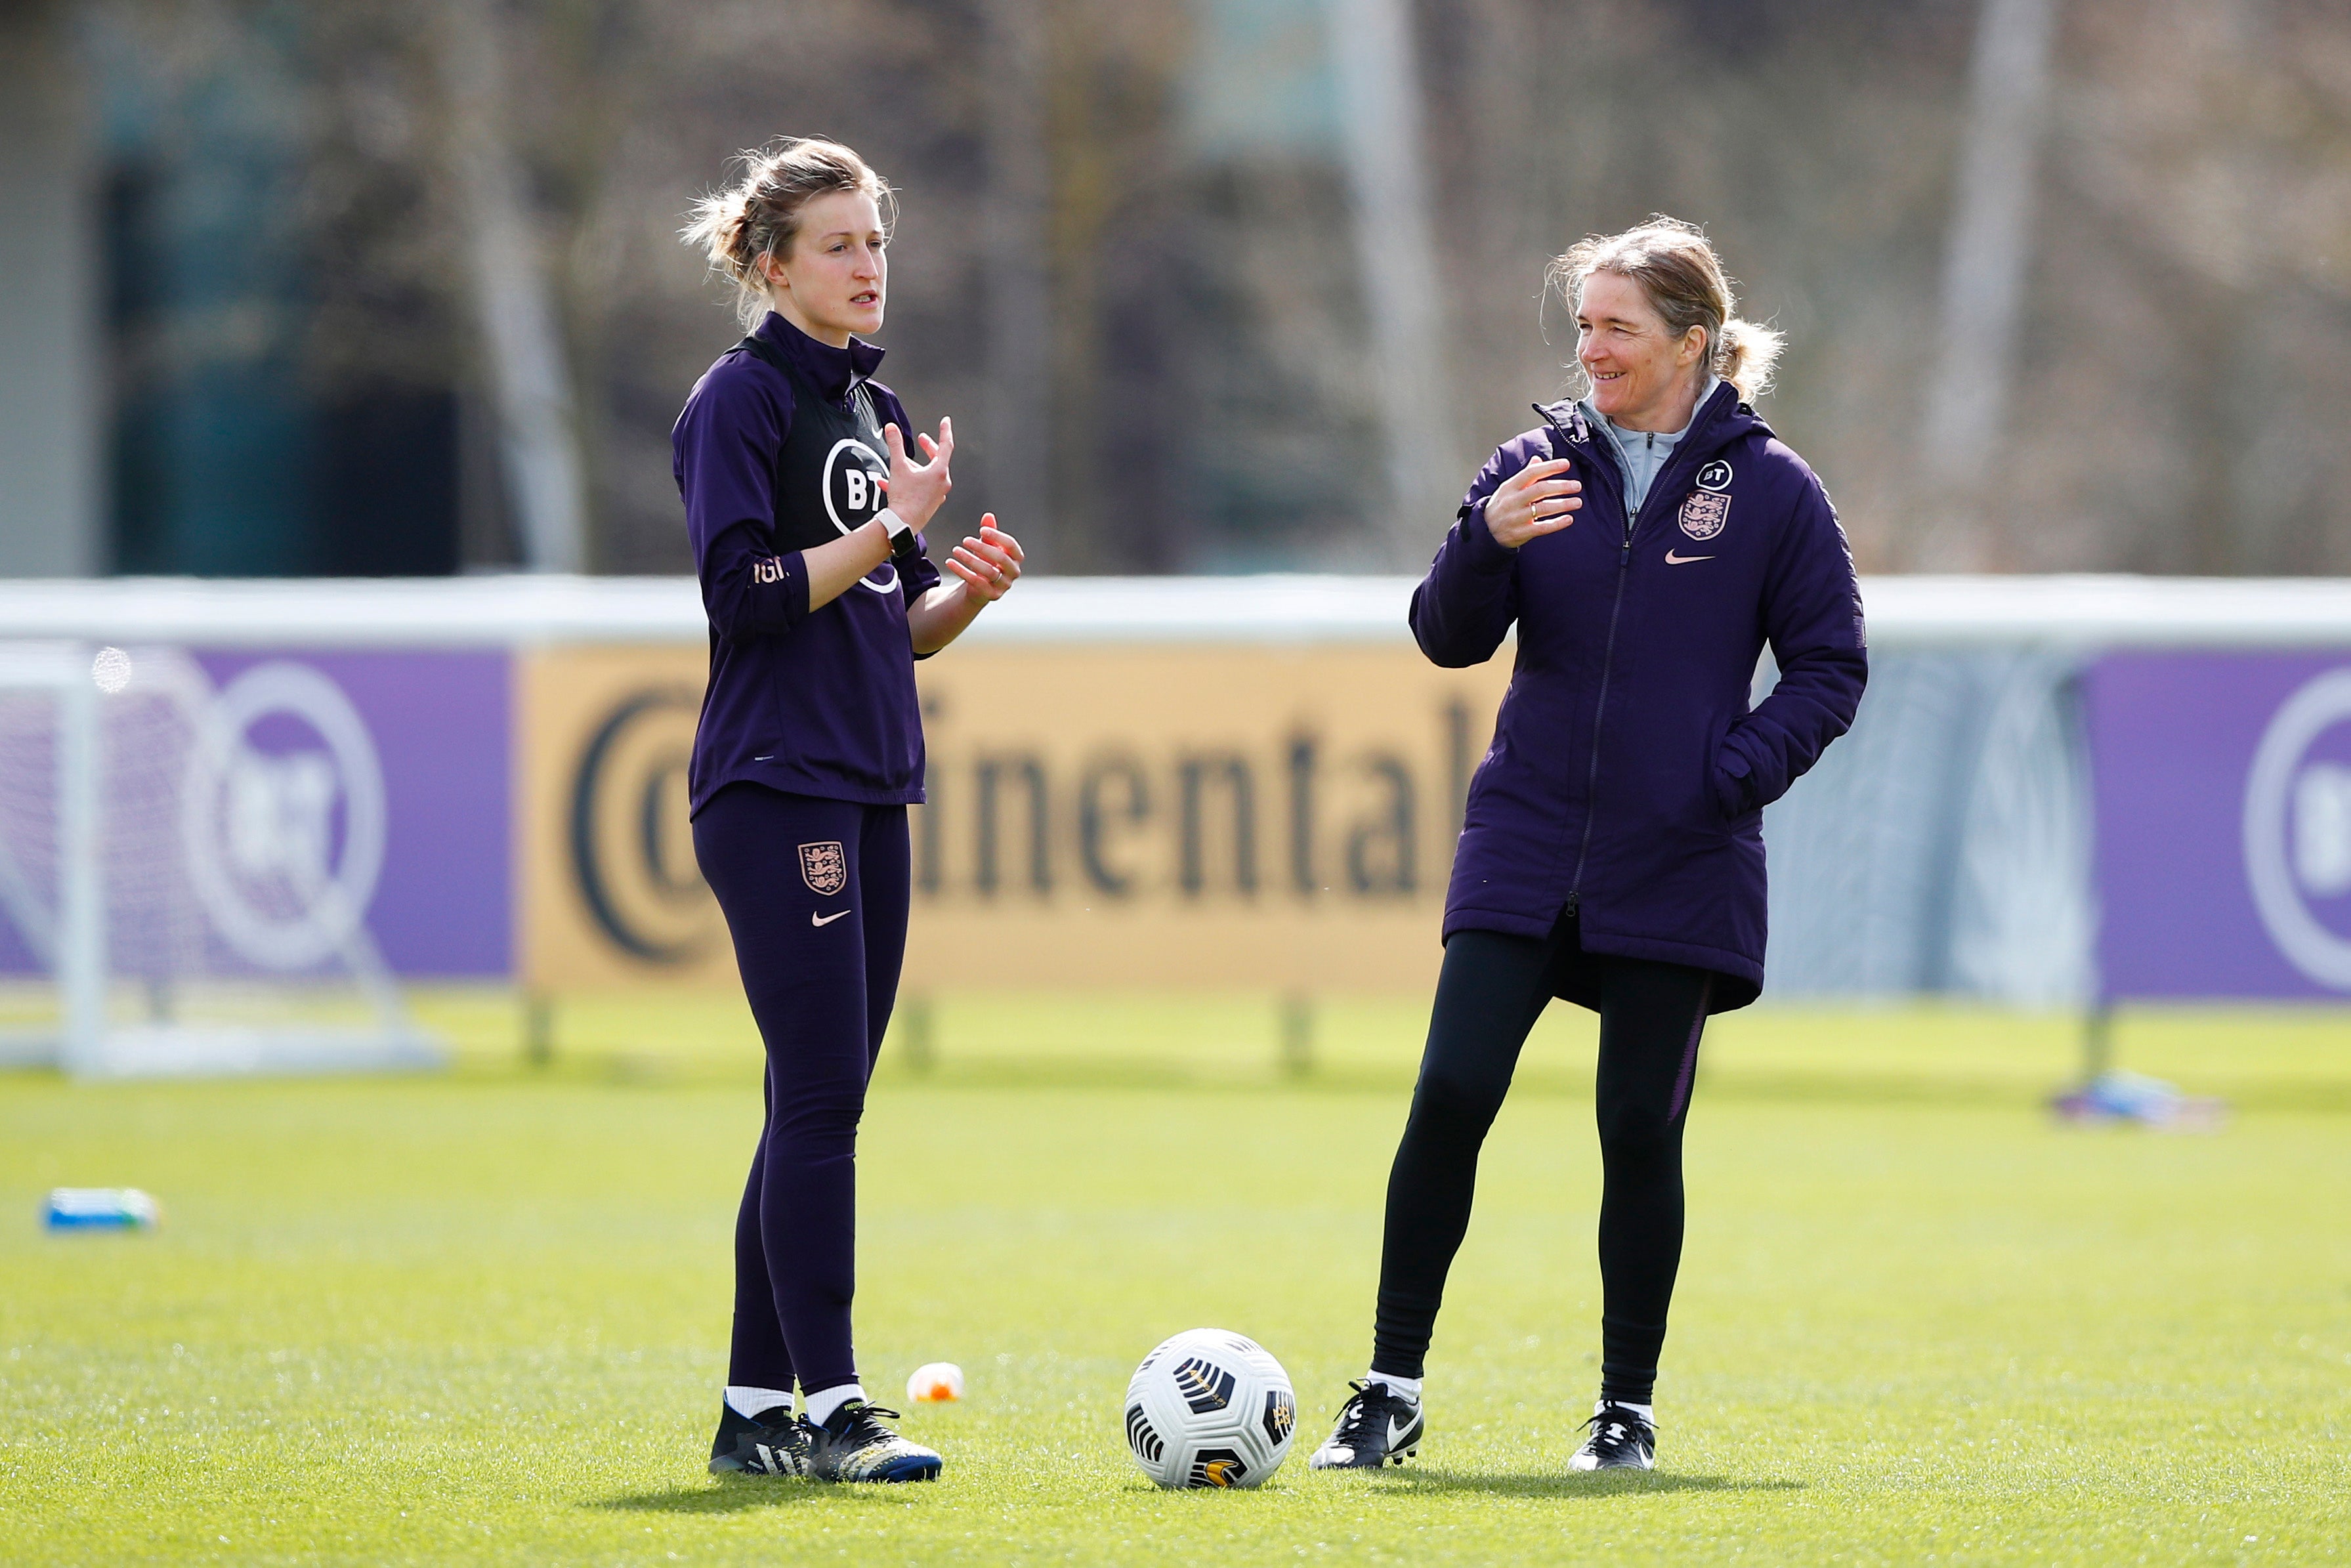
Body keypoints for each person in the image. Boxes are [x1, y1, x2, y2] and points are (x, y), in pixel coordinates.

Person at [1309, 217, 1866, 1474]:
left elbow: (1830, 667)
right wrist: (1482, 537)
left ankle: (1625, 1410)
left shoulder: (1771, 488)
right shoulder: (1532, 466)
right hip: (1524, 835)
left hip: (1679, 854)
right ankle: (1388, 1389)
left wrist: (1729, 775)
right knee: (1450, 1089)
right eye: (1583, 325)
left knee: (1636, 1126)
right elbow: (1445, 637)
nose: (1590, 349)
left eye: (1617, 327)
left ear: (1692, 343)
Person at [672, 138, 1023, 1483]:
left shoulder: (874, 410)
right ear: (771, 264)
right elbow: (747, 596)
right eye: (838, 244)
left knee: (815, 1099)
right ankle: (839, 1405)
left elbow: (902, 620)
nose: (868, 265)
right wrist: (887, 534)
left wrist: (964, 590)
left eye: (876, 240)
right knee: (822, 1097)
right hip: (777, 786)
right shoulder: (738, 402)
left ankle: (756, 1406)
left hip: (873, 782)